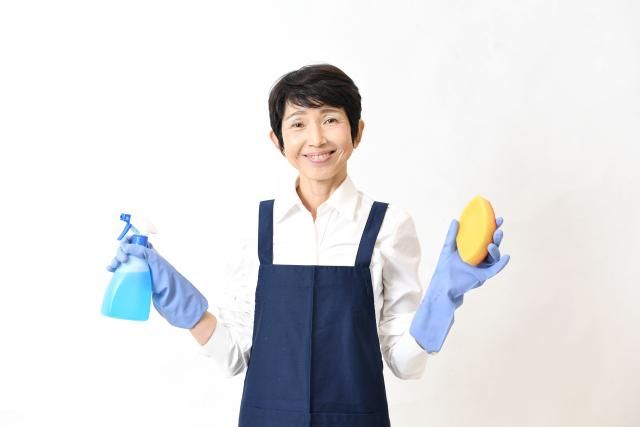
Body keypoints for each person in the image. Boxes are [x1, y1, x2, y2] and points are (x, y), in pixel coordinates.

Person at [106, 63, 510, 426]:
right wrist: (183, 305)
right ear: (277, 140)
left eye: (330, 119)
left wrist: (443, 297)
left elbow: (404, 363)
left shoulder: (388, 226)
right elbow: (234, 358)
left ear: (357, 132)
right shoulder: (256, 226)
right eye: (298, 124)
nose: (316, 139)